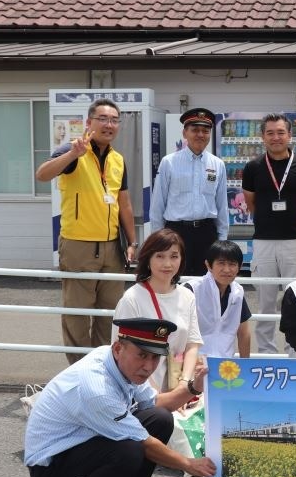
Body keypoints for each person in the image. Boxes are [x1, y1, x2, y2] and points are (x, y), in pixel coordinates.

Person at [24, 317, 217, 477]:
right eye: (142, 355)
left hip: (80, 444)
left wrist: (195, 386)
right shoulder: (97, 388)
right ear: (118, 348)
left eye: (155, 357)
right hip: (50, 469)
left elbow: (156, 404)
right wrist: (188, 463)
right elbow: (143, 442)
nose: (149, 366)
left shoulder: (118, 363)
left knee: (160, 419)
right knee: (129, 450)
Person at [35, 99, 138, 363]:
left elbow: (123, 202)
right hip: (78, 244)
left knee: (110, 313)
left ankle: (103, 368)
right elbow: (42, 175)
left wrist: (132, 241)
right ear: (89, 123)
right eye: (103, 119)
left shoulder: (117, 159)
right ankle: (80, 372)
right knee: (77, 313)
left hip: (112, 245)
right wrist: (71, 155)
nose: (109, 125)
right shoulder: (73, 150)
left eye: (115, 120)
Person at [242, 113, 296, 354]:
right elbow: (251, 202)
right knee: (265, 302)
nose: (276, 137)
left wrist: (295, 223)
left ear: (290, 135)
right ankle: (266, 352)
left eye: (280, 132)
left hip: (294, 241)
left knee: (294, 299)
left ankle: (293, 350)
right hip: (263, 242)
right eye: (270, 133)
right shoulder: (253, 167)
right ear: (262, 137)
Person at [112, 229, 203, 392]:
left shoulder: (187, 296)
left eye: (174, 256)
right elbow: (120, 352)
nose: (167, 264)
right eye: (160, 256)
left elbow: (192, 345)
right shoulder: (132, 298)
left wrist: (184, 386)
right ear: (148, 260)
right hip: (140, 391)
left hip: (179, 386)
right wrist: (157, 396)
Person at [149, 107, 228, 276]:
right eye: (195, 130)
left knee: (206, 282)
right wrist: (158, 237)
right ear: (185, 133)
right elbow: (158, 203)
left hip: (206, 233)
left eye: (205, 130)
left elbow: (222, 205)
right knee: (174, 280)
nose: (200, 134)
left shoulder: (217, 164)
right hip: (176, 232)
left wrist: (222, 239)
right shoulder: (169, 162)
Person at [183, 240, 252, 359]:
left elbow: (244, 333)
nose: (227, 269)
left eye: (232, 264)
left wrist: (245, 366)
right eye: (221, 263)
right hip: (194, 364)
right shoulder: (192, 289)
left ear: (239, 267)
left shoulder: (238, 292)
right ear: (208, 265)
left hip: (226, 367)